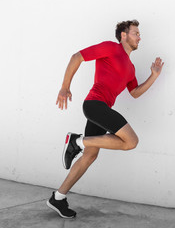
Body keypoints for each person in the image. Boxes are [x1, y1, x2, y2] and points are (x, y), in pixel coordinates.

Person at [46, 20, 164, 218]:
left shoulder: (131, 67)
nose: (139, 37)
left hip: (102, 109)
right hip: (94, 105)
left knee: (90, 155)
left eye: (139, 34)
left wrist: (154, 76)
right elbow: (77, 57)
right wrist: (65, 87)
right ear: (123, 35)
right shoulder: (110, 48)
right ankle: (76, 141)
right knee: (131, 141)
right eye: (136, 33)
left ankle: (57, 197)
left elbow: (134, 92)